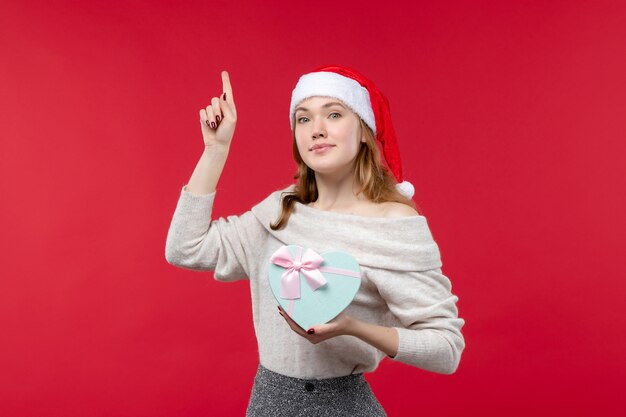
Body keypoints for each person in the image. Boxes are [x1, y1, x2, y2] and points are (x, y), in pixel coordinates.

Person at [165, 65, 466, 416]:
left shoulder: (393, 225)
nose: (317, 130)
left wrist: (351, 328)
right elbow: (185, 248)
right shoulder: (280, 211)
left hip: (343, 405)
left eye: (334, 114)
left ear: (365, 131)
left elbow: (447, 349)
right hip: (268, 403)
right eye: (303, 119)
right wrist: (215, 150)